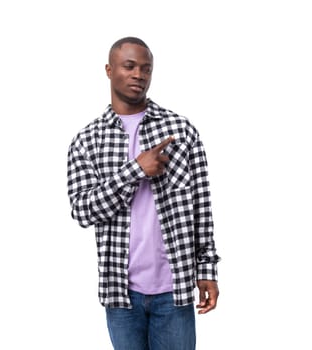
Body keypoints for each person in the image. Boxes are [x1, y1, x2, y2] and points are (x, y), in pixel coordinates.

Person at [66, 36, 221, 350]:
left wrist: (207, 269)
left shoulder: (181, 131)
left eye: (146, 69)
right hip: (121, 294)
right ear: (110, 70)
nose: (139, 74)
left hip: (173, 290)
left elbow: (201, 207)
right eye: (130, 66)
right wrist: (136, 170)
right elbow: (82, 211)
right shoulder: (87, 141)